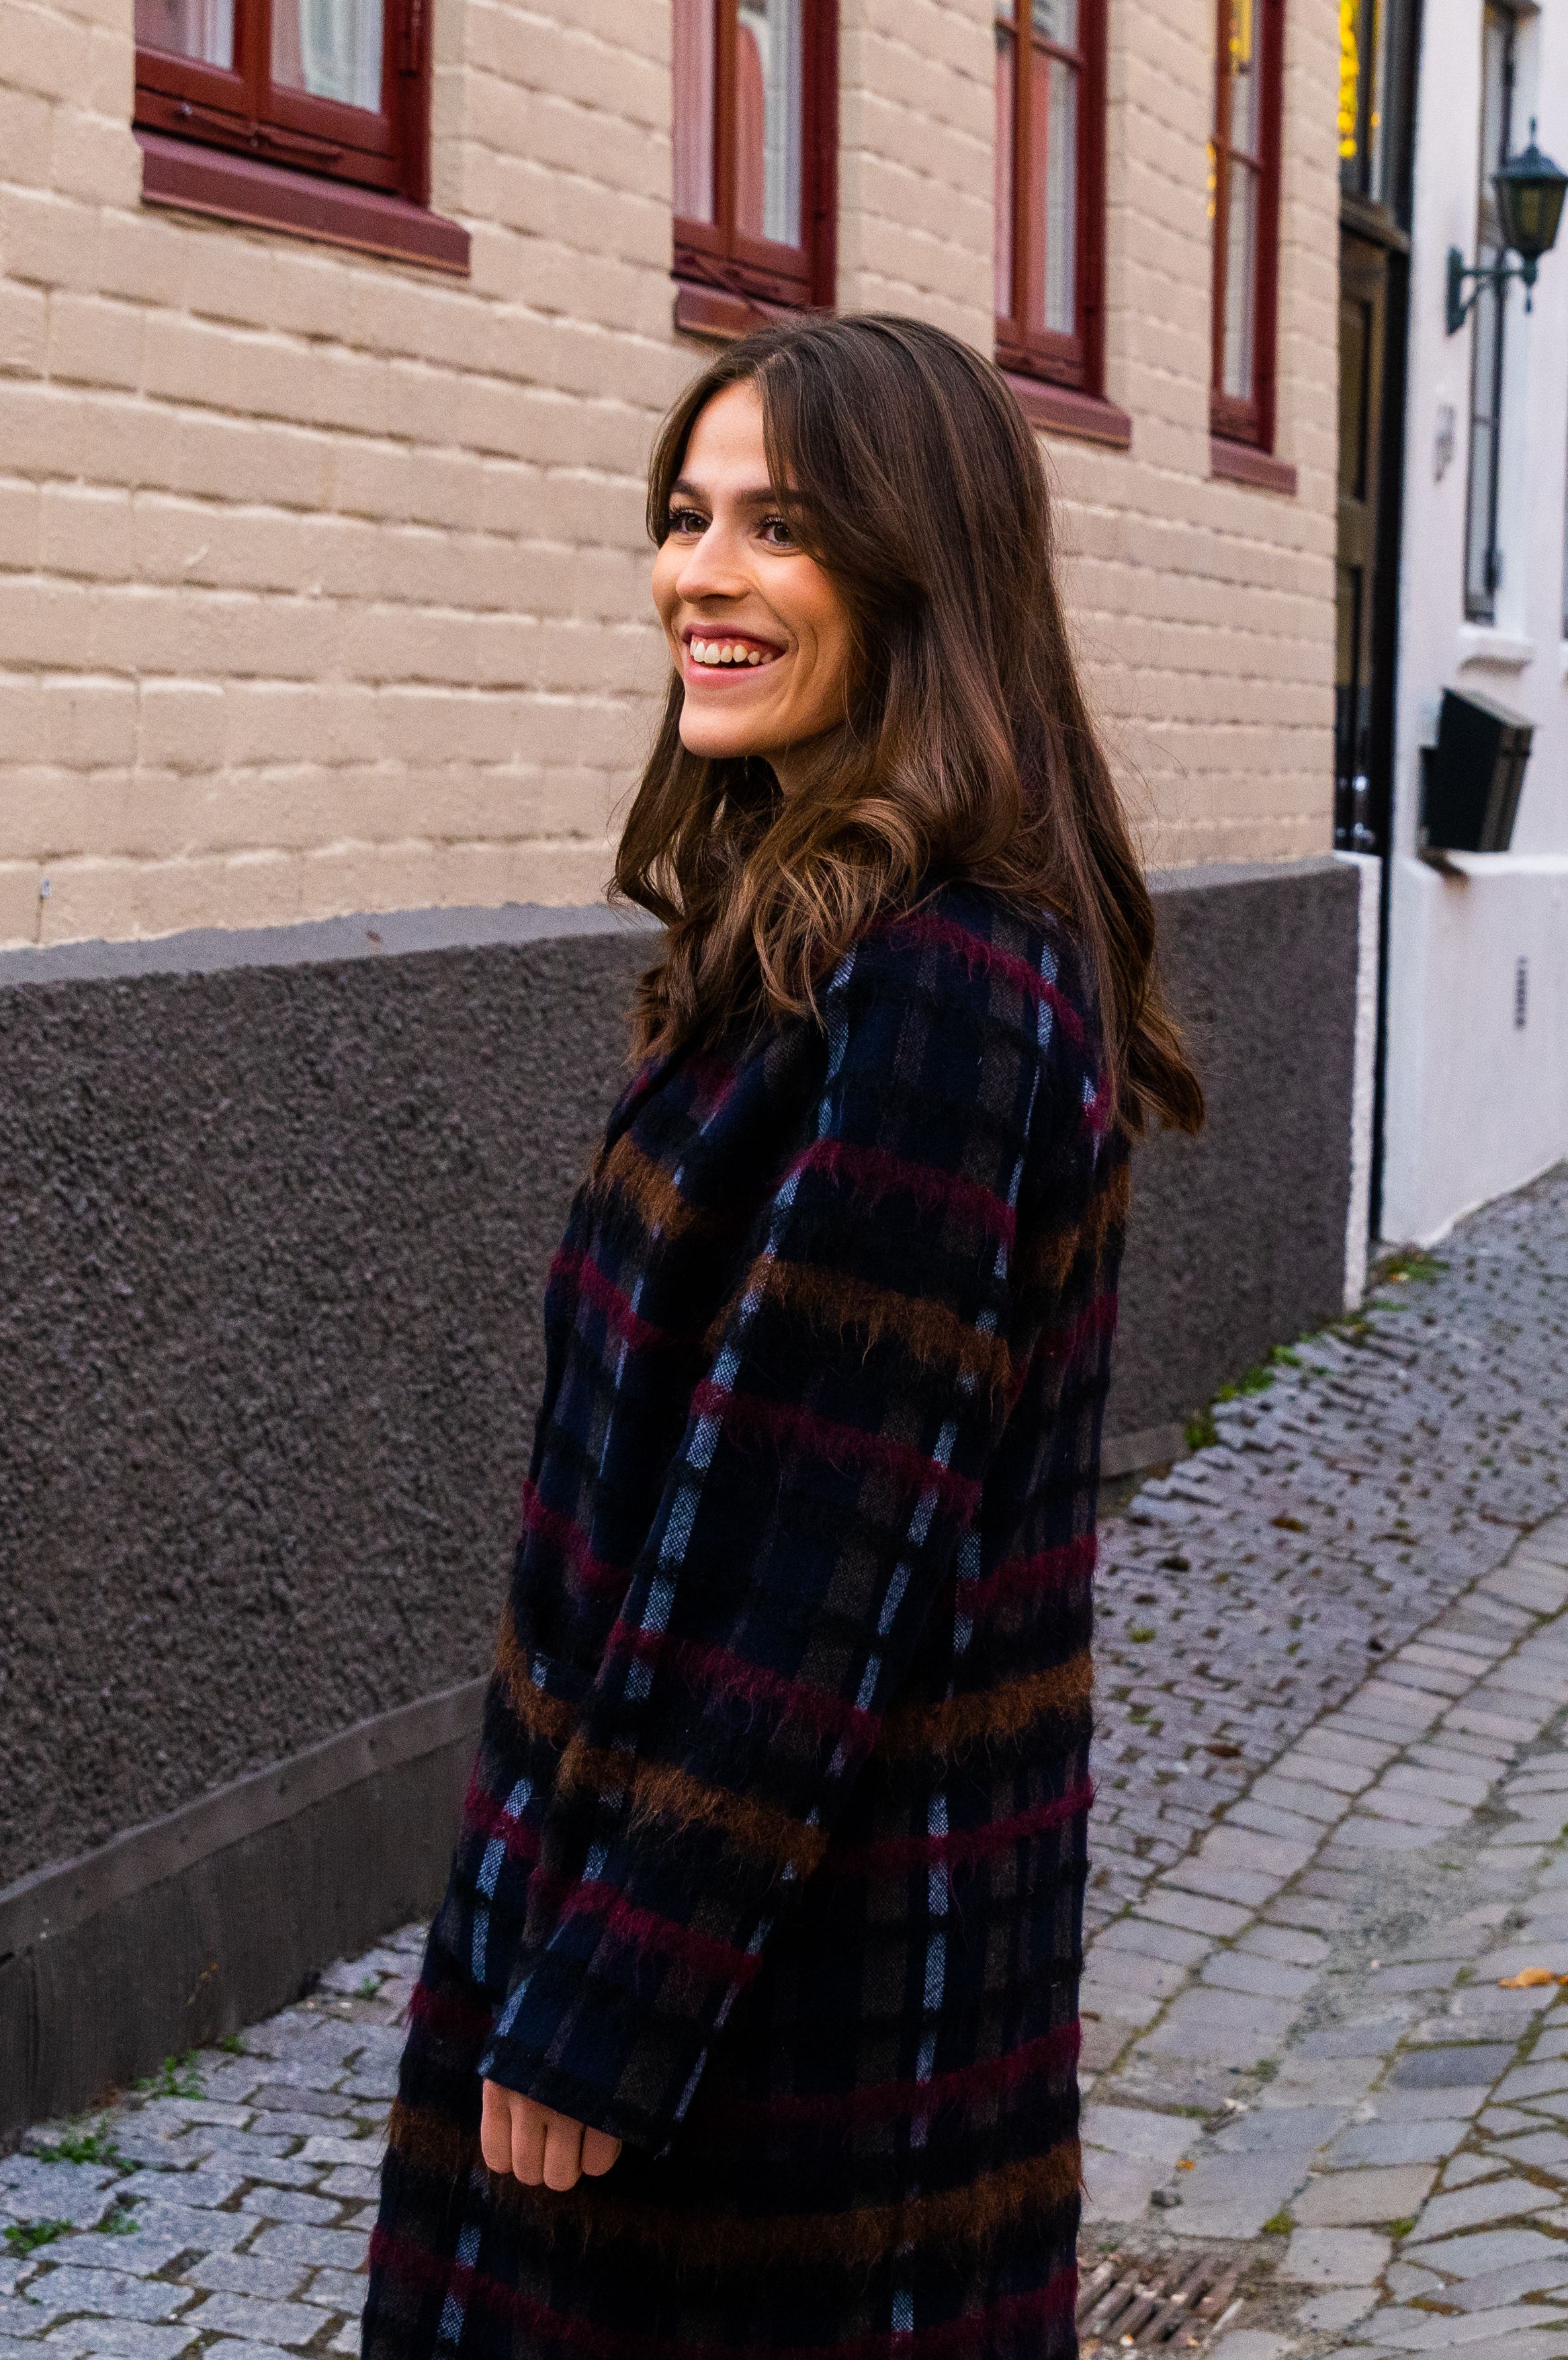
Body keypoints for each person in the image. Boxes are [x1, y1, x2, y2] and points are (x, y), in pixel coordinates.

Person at [361, 311, 1203, 2359]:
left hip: (792, 2017)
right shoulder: (806, 943)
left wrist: (607, 2000)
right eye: (686, 517)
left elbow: (799, 1569)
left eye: (782, 529)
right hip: (691, 1924)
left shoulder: (942, 996)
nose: (703, 577)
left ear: (922, 575)